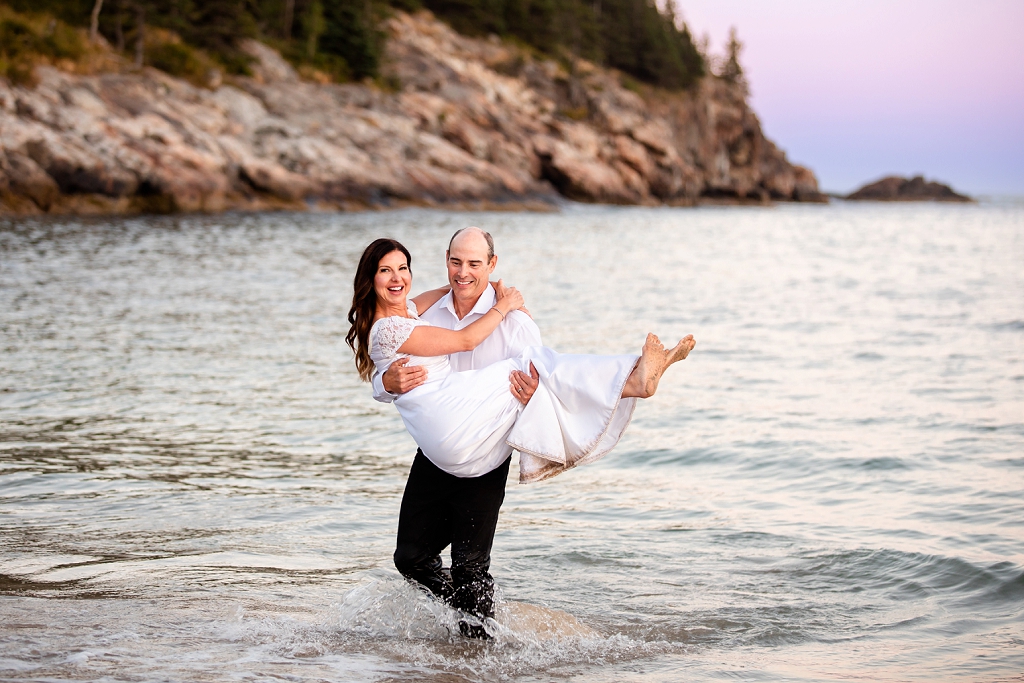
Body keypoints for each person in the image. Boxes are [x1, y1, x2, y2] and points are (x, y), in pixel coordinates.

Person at [346, 232, 696, 637]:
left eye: (475, 264)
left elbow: (541, 375)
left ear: (492, 266)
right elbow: (410, 359)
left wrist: (534, 395)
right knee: (410, 558)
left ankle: (476, 647)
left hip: (487, 451)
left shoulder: (510, 320)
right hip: (440, 444)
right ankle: (466, 620)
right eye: (456, 263)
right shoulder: (423, 313)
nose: (463, 273)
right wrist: (386, 382)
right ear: (445, 261)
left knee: (471, 567)